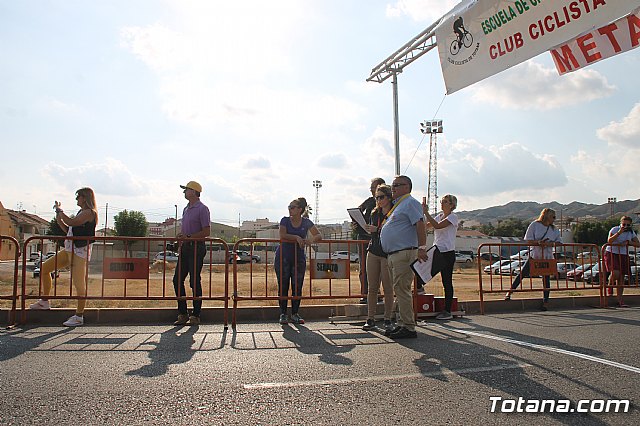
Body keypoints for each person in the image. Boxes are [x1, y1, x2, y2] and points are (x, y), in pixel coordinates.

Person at [29, 187, 98, 327]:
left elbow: (72, 223)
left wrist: (61, 211)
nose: (76, 199)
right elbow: (68, 228)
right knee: (44, 268)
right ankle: (45, 301)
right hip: (69, 249)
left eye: (78, 196)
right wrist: (58, 213)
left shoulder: (90, 213)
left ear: (85, 197)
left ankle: (79, 316)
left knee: (79, 284)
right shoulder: (81, 212)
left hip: (79, 252)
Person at [380, 176, 428, 339]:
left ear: (407, 187)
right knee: (400, 290)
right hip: (395, 253)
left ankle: (408, 326)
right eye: (392, 185)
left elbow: (420, 224)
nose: (393, 188)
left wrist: (422, 247)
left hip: (404, 252)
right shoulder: (399, 205)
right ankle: (403, 324)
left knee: (402, 289)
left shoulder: (410, 203)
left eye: (397, 185)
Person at [275, 197, 322, 325]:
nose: (290, 209)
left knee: (297, 286)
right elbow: (282, 235)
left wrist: (309, 240)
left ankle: (295, 313)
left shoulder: (306, 222)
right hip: (283, 257)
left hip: (298, 258)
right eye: (289, 207)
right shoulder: (284, 220)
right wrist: (296, 237)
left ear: (300, 209)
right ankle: (283, 314)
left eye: (293, 207)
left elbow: (319, 235)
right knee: (283, 285)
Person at [504, 208, 561, 311]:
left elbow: (559, 242)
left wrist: (549, 244)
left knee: (546, 279)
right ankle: (510, 292)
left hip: (547, 257)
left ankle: (546, 301)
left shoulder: (554, 229)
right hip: (535, 255)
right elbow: (528, 241)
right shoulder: (535, 225)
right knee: (522, 273)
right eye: (553, 217)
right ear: (547, 216)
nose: (554, 219)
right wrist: (539, 243)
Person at [173, 181, 211, 326]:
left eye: (186, 190)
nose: (184, 192)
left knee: (194, 281)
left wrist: (189, 237)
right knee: (177, 279)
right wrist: (182, 237)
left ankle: (196, 314)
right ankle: (182, 313)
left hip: (196, 247)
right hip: (186, 247)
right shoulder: (185, 209)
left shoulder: (202, 209)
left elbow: (206, 232)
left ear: (194, 192)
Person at [362, 184, 394, 333]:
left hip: (388, 253)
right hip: (373, 251)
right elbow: (373, 231)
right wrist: (369, 229)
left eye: (381, 197)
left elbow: (394, 231)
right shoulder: (375, 213)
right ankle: (370, 318)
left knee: (388, 288)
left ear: (389, 197)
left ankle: (388, 318)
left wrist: (378, 229)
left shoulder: (395, 212)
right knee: (372, 288)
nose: (379, 200)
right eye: (377, 197)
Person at [423, 194, 459, 320]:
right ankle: (419, 289)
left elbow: (437, 226)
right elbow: (427, 225)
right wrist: (421, 216)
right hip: (436, 250)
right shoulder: (440, 216)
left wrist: (426, 213)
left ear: (452, 205)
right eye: (442, 201)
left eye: (445, 202)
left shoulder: (453, 217)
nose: (442, 203)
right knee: (421, 268)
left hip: (447, 252)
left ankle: (447, 310)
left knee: (446, 281)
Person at [353, 177, 386, 304]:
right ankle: (365, 293)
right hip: (363, 238)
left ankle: (376, 293)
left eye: (374, 188)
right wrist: (356, 223)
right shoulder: (368, 202)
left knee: (379, 269)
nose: (372, 191)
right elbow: (359, 213)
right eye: (371, 188)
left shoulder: (387, 204)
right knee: (363, 268)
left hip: (376, 239)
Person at [605, 216, 639, 307]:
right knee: (615, 273)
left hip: (623, 254)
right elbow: (609, 240)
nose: (626, 226)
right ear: (620, 223)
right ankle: (610, 284)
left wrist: (629, 243)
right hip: (612, 252)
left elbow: (638, 244)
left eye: (628, 225)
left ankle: (620, 299)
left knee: (621, 277)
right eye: (624, 224)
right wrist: (619, 233)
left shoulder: (631, 233)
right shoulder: (615, 229)